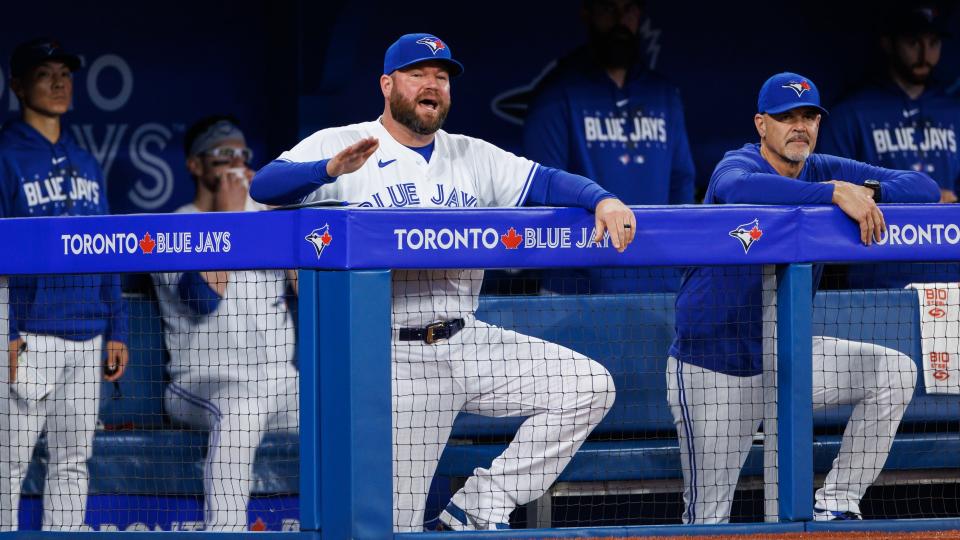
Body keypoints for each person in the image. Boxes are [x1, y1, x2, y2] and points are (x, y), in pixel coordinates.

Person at [252, 33, 635, 531]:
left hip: (467, 338)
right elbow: (265, 186)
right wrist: (326, 171)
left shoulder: (472, 155)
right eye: (418, 74)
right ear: (387, 85)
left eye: (442, 76)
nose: (433, 84)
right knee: (395, 525)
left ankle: (478, 506)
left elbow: (546, 181)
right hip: (393, 354)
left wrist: (602, 198)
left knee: (587, 385)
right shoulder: (342, 142)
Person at [667, 72, 939, 524]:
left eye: (809, 116)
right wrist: (833, 193)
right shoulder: (738, 165)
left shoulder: (822, 166)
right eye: (786, 117)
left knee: (893, 370)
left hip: (784, 357)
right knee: (706, 521)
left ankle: (837, 501)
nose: (800, 126)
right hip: (713, 369)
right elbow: (738, 190)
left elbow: (923, 189)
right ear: (761, 124)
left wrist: (865, 191)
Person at [0, 38, 129, 531]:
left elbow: (108, 245)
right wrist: (6, 330)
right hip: (30, 334)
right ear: (17, 85)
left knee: (74, 463)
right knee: (8, 464)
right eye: (44, 73)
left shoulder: (85, 158)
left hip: (88, 331)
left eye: (65, 73)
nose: (58, 82)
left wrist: (116, 326)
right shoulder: (7, 155)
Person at [152, 116, 299, 531]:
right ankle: (226, 533)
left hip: (282, 384)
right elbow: (200, 299)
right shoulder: (174, 226)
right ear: (196, 166)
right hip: (201, 381)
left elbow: (308, 292)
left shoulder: (264, 219)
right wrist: (231, 220)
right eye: (223, 156)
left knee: (345, 410)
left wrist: (278, 218)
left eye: (242, 155)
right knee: (243, 409)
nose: (237, 164)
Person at [522, 0, 695, 293]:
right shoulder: (556, 94)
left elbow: (682, 183)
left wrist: (675, 260)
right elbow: (544, 191)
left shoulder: (663, 94)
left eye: (628, 9)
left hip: (659, 284)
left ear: (639, 15)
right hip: (576, 290)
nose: (619, 20)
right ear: (587, 14)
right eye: (607, 9)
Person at [818, 4, 959, 288]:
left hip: (948, 272)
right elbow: (827, 191)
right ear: (888, 43)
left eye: (933, 43)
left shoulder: (954, 111)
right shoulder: (853, 112)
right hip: (877, 273)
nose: (924, 54)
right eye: (912, 42)